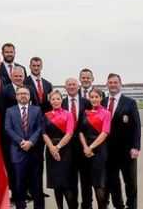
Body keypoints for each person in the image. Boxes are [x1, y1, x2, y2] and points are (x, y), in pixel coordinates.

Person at [5, 86, 45, 209]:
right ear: (16, 96)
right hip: (17, 153)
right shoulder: (10, 111)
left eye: (26, 93)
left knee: (37, 185)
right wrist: (22, 141)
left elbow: (39, 128)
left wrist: (31, 142)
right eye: (20, 93)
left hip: (34, 153)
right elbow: (8, 129)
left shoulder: (37, 110)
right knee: (19, 185)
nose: (23, 95)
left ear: (29, 96)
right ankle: (20, 206)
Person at [104, 74, 140, 209]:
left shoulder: (130, 102)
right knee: (113, 182)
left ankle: (132, 206)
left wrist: (136, 147)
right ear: (107, 84)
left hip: (127, 150)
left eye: (115, 82)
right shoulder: (102, 102)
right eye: (110, 82)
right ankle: (118, 205)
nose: (113, 85)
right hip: (108, 151)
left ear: (120, 84)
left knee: (130, 183)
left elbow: (136, 126)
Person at [79, 88, 112, 209]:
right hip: (86, 150)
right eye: (91, 97)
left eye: (96, 97)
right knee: (86, 182)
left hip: (98, 150)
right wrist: (85, 147)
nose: (94, 99)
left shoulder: (106, 113)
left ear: (101, 98)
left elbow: (104, 133)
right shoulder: (85, 112)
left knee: (98, 183)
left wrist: (91, 147)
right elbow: (81, 132)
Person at [63, 77, 93, 209]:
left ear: (78, 86)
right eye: (69, 85)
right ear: (65, 87)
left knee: (86, 179)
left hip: (83, 146)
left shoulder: (87, 103)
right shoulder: (60, 103)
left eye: (74, 84)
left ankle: (87, 205)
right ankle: (73, 206)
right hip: (66, 147)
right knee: (71, 180)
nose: (71, 87)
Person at [43, 90, 76, 209]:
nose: (56, 101)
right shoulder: (46, 115)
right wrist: (52, 148)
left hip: (65, 149)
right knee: (56, 183)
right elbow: (44, 133)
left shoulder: (68, 114)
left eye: (58, 99)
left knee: (66, 183)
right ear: (50, 101)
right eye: (53, 99)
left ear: (62, 100)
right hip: (51, 150)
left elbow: (69, 133)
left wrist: (57, 147)